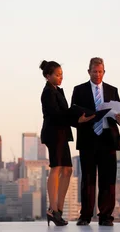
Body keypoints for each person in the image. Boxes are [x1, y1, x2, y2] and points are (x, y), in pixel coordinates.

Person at [70, 57, 120, 226]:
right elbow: (73, 115)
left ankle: (106, 216)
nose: (97, 74)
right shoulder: (79, 90)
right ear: (89, 72)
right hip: (88, 139)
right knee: (87, 179)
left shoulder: (112, 90)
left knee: (108, 180)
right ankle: (85, 215)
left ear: (104, 72)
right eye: (94, 71)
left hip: (108, 139)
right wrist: (83, 118)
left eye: (100, 71)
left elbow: (118, 116)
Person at [39, 60, 94, 226]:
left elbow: (64, 114)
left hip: (62, 134)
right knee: (56, 168)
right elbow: (56, 114)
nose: (60, 77)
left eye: (61, 74)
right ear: (48, 76)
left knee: (68, 170)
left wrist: (78, 118)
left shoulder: (57, 91)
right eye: (57, 74)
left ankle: (58, 209)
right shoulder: (48, 92)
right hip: (54, 134)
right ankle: (53, 209)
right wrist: (76, 118)